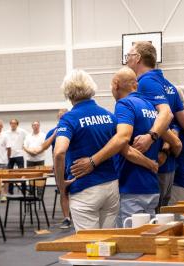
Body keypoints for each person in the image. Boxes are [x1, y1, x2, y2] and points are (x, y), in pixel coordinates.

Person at [70, 67, 160, 226]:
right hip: (151, 186)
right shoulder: (151, 106)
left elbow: (122, 141)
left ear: (116, 84)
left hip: (132, 185)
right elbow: (172, 137)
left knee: (129, 242)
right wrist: (158, 158)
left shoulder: (124, 104)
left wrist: (92, 161)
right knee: (148, 237)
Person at [125, 41, 184, 208]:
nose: (127, 60)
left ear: (138, 58)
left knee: (152, 216)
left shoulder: (145, 82)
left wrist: (150, 137)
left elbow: (166, 113)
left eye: (128, 56)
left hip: (156, 163)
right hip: (169, 166)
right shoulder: (169, 86)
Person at [54, 70, 120, 231]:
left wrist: (60, 183)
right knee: (107, 244)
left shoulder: (69, 119)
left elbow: (59, 152)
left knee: (89, 247)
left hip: (85, 189)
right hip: (111, 186)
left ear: (68, 93)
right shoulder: (109, 116)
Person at [44, 108, 72, 229]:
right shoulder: (52, 132)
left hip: (73, 166)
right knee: (63, 192)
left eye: (64, 116)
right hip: (60, 167)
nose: (62, 118)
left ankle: (76, 215)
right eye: (60, 116)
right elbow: (46, 147)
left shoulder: (73, 127)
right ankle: (67, 218)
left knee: (76, 192)